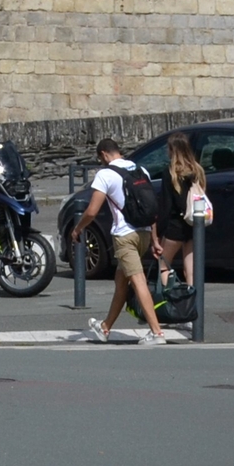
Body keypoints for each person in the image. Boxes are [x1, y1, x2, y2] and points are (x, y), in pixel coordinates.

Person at [66, 137, 166, 344]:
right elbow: (151, 210)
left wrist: (78, 229)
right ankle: (105, 328)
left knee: (138, 282)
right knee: (121, 281)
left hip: (124, 236)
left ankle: (156, 332)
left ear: (103, 155)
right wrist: (155, 240)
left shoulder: (105, 174)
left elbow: (92, 211)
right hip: (145, 234)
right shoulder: (140, 170)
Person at [157, 135, 210, 288]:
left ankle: (169, 300)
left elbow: (166, 205)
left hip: (175, 225)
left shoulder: (170, 173)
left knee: (163, 265)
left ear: (172, 150)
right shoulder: (197, 170)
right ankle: (193, 301)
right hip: (193, 223)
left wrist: (159, 232)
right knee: (191, 270)